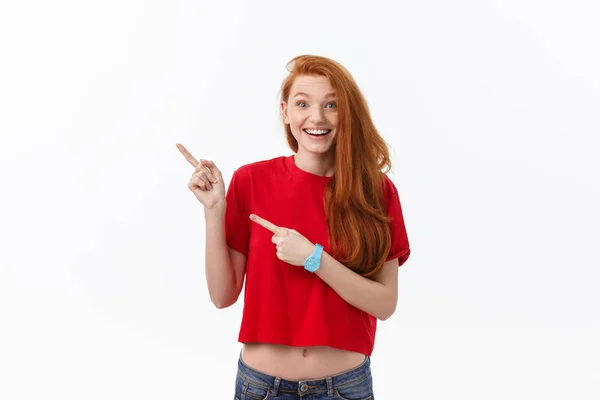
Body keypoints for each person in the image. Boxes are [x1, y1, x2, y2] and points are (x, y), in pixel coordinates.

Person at [176, 54, 410, 399]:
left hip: (344, 387)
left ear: (347, 113)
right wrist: (214, 210)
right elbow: (223, 296)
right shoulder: (251, 180)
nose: (317, 117)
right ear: (286, 112)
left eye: (331, 105)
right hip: (261, 386)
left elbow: (384, 304)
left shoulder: (375, 191)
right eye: (303, 104)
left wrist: (314, 258)